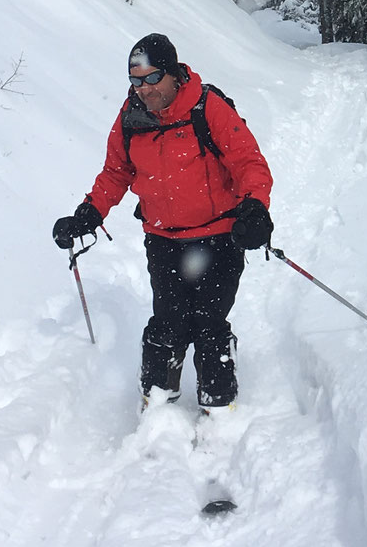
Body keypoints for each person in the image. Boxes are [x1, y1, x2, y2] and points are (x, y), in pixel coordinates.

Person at [52, 34, 273, 410]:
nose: (145, 90)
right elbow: (116, 172)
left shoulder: (208, 107)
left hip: (218, 234)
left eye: (153, 79)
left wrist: (255, 207)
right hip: (163, 237)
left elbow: (248, 162)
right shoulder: (131, 118)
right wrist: (89, 212)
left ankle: (219, 405)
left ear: (173, 75)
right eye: (136, 81)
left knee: (208, 321)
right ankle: (157, 400)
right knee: (168, 320)